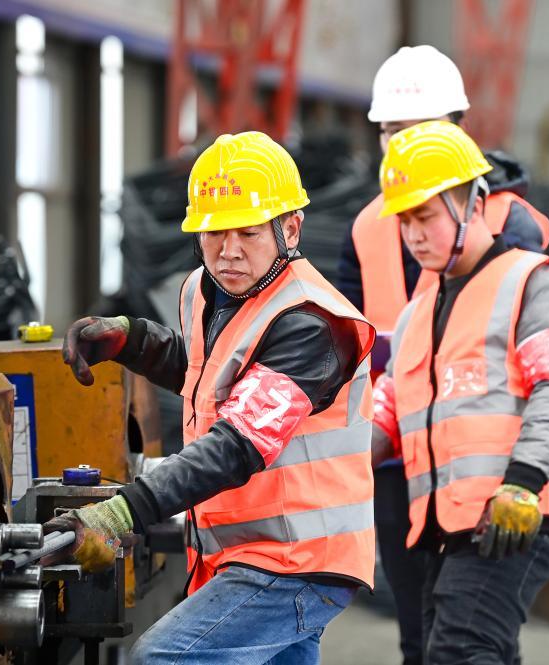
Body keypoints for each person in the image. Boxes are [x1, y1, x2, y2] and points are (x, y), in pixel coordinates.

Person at [49, 131, 376, 664]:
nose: (229, 251)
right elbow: (210, 375)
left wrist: (123, 513)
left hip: (295, 559)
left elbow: (236, 444)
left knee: (163, 658)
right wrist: (133, 341)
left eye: (248, 232)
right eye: (214, 233)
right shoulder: (207, 292)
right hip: (251, 553)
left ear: (290, 229)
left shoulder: (312, 324)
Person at [334, 45, 549, 665]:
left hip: (482, 461)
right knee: (422, 635)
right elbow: (351, 346)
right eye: (389, 131)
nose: (399, 144)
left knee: (470, 636)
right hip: (396, 456)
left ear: (457, 127)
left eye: (415, 128)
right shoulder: (367, 226)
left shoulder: (509, 224)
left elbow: (527, 354)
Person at [370, 120, 549, 665]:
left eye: (425, 216)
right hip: (442, 524)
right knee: (450, 651)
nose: (414, 234)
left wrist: (522, 485)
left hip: (516, 510)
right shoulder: (417, 314)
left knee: (461, 649)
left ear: (473, 203)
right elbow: (384, 414)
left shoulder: (535, 282)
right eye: (404, 221)